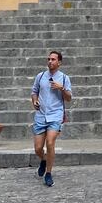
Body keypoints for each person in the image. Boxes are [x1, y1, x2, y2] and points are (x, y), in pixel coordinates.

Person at [31, 50, 73, 187]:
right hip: (41, 115)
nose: (50, 61)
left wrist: (61, 88)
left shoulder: (64, 78)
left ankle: (48, 173)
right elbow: (34, 92)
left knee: (50, 143)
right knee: (38, 148)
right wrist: (35, 101)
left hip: (55, 115)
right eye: (48, 59)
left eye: (53, 59)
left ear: (59, 62)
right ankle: (44, 160)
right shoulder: (41, 76)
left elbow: (69, 98)